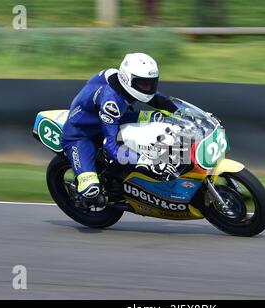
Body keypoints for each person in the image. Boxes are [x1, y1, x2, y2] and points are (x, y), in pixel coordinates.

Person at [61, 53, 178, 202]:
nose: (148, 88)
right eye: (143, 84)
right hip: (80, 134)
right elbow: (112, 147)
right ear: (127, 79)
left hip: (111, 119)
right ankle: (84, 195)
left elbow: (160, 101)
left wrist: (187, 113)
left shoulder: (124, 82)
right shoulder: (111, 102)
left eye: (151, 83)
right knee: (91, 190)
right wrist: (150, 162)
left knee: (160, 119)